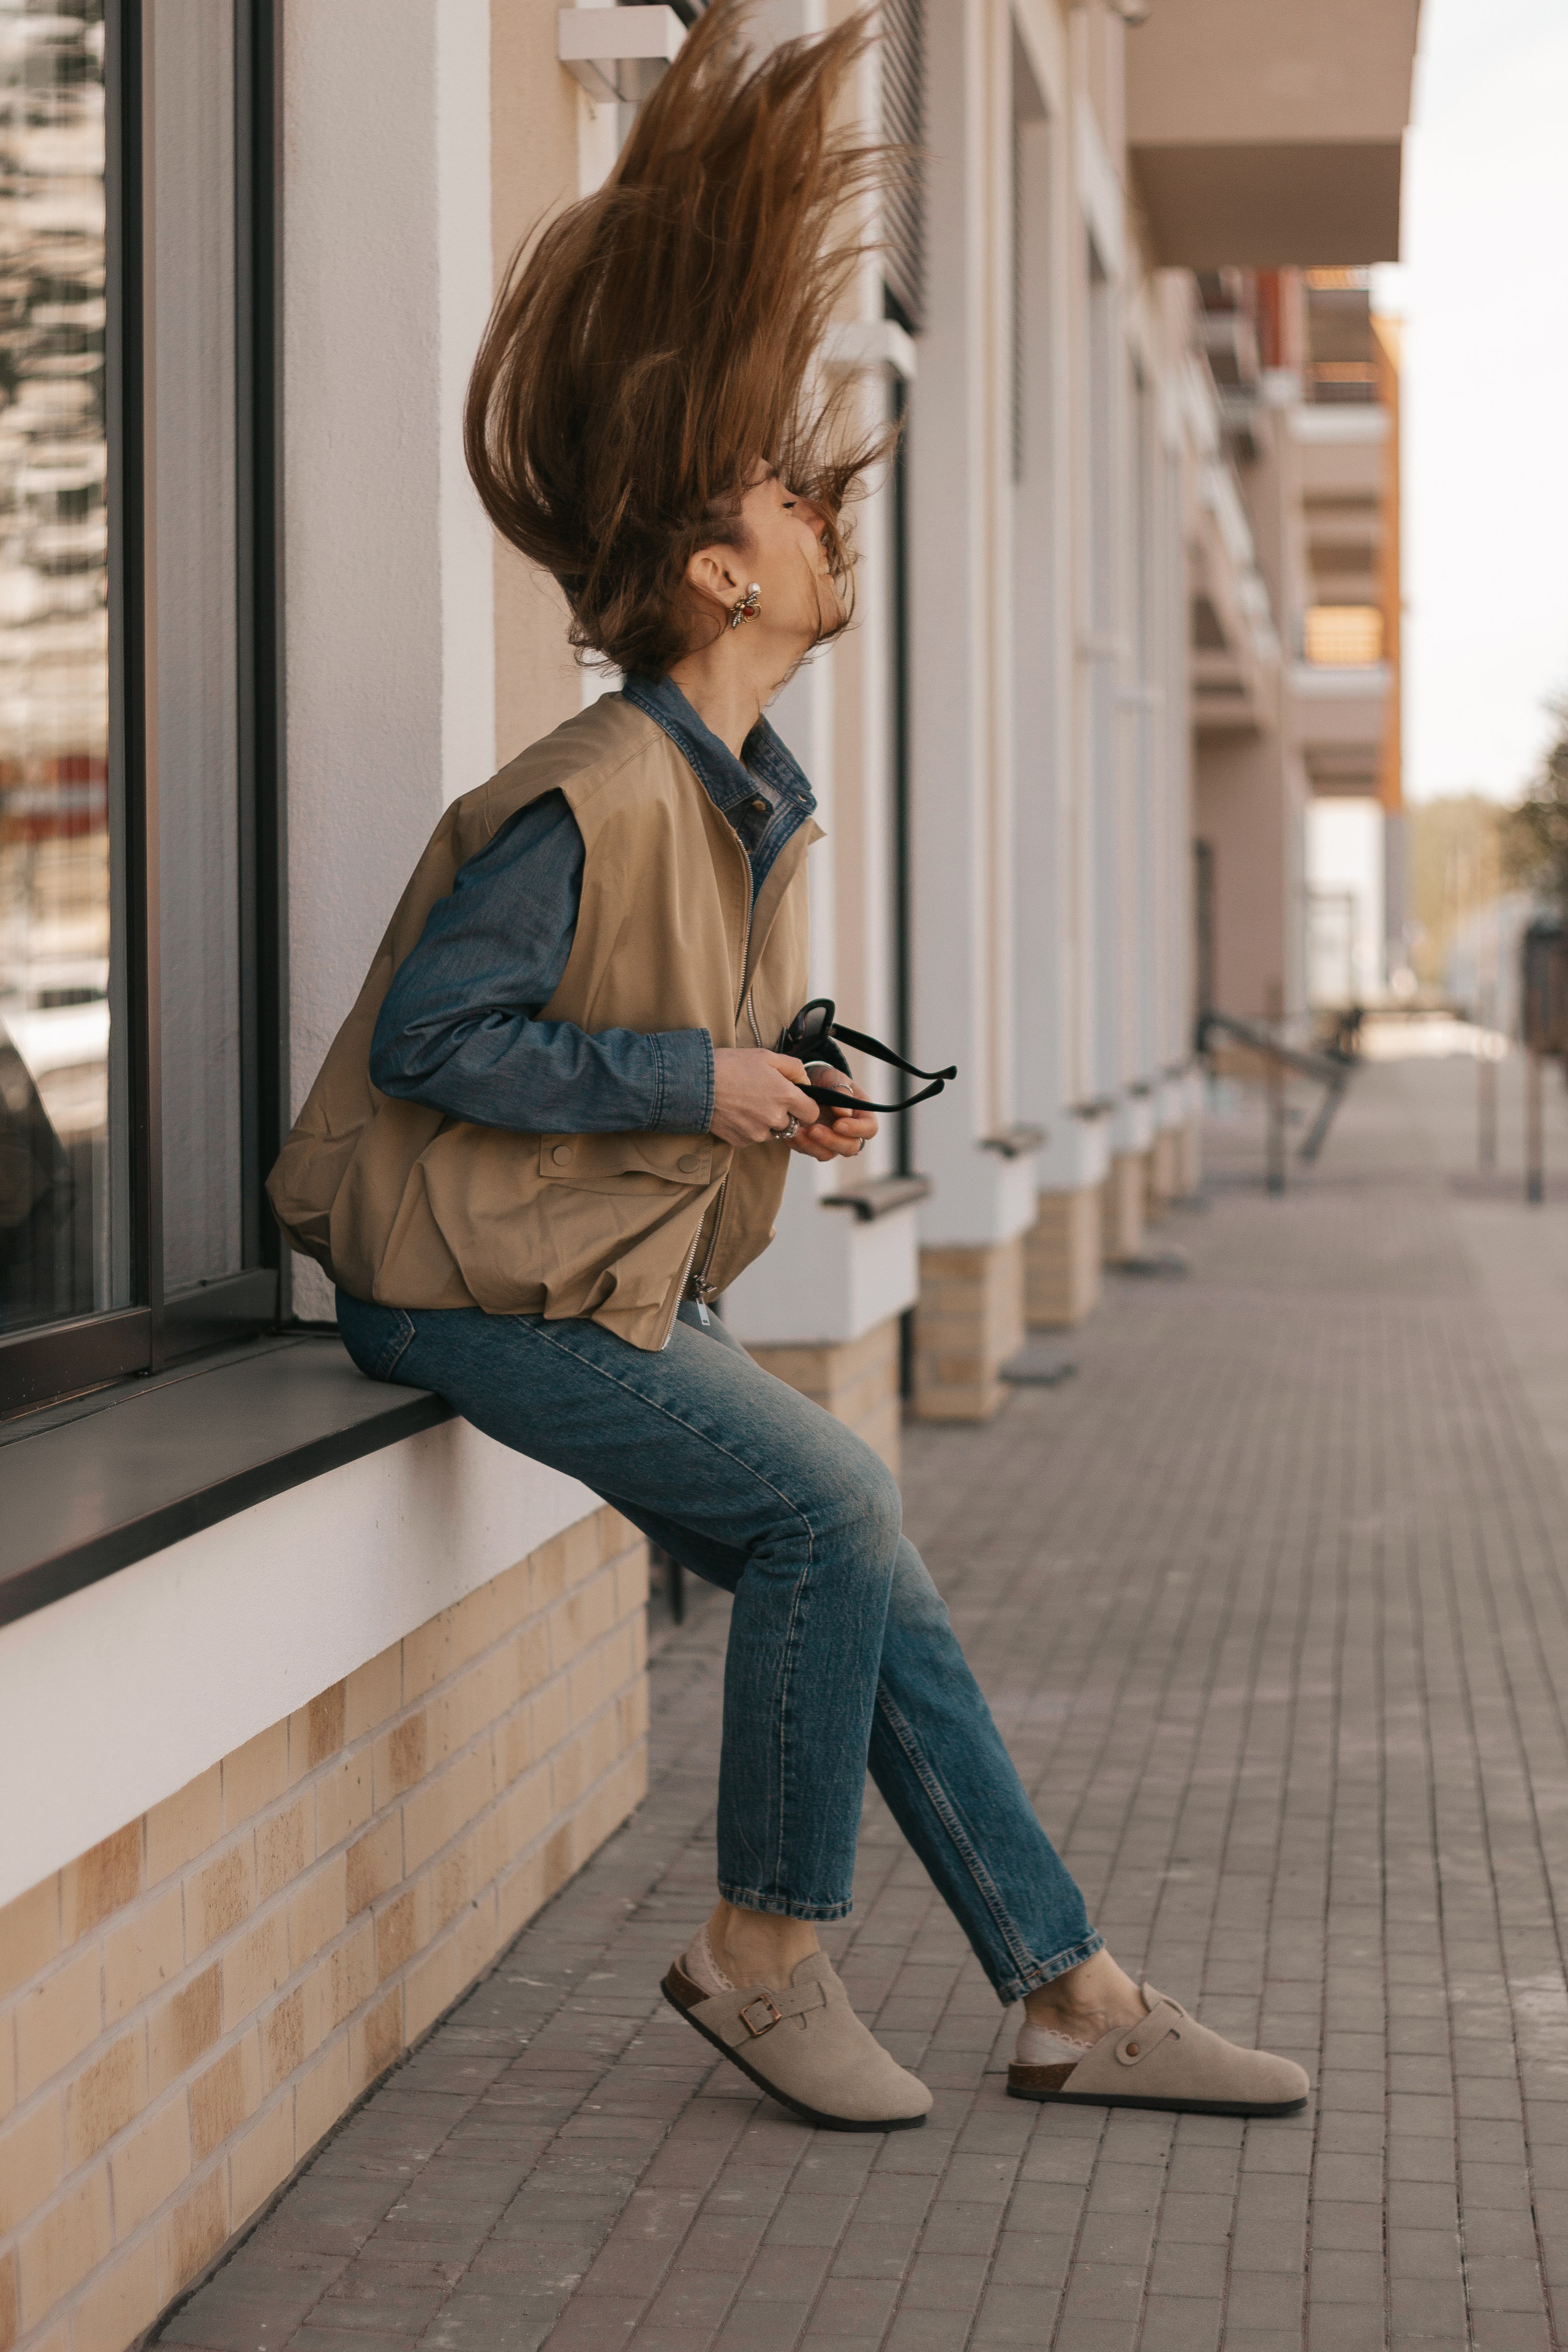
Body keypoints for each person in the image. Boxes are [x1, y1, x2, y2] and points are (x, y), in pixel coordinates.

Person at [268, 1, 1308, 2133]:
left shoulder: (745, 794)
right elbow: (436, 1043)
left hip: (597, 1264)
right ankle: (762, 1952)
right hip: (463, 1275)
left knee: (866, 1554)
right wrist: (702, 1081)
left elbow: (667, 1060)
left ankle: (1070, 1994)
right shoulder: (591, 785)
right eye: (791, 501)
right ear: (716, 572)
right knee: (836, 1497)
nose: (833, 519)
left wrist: (771, 1090)